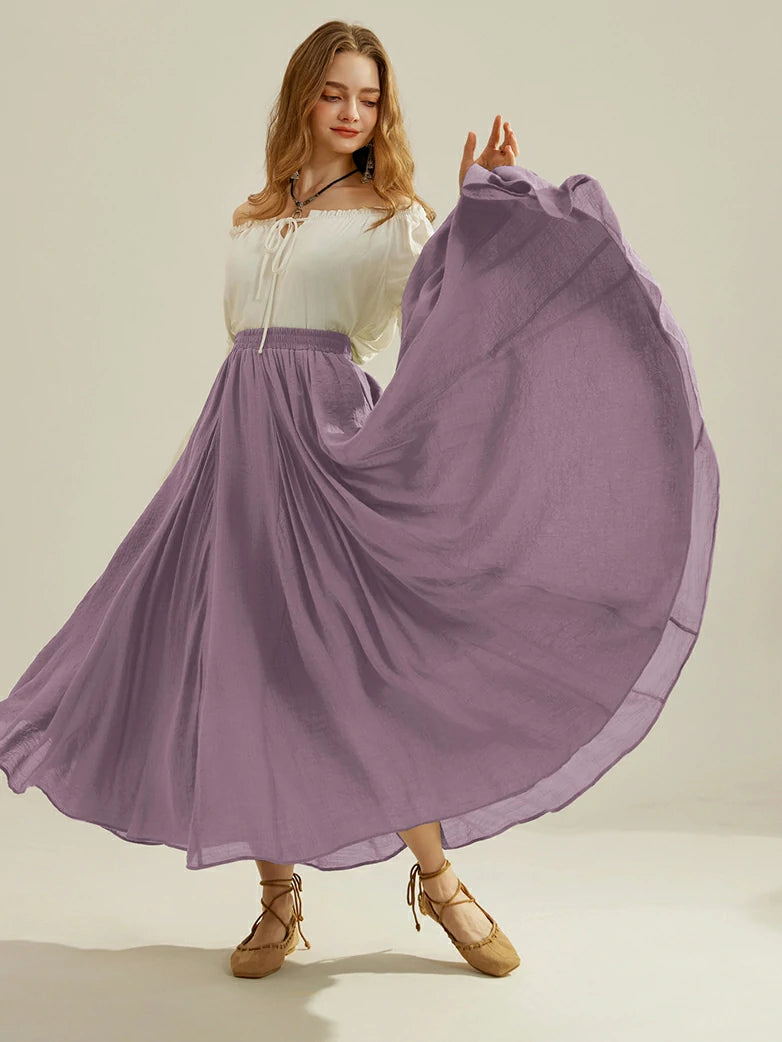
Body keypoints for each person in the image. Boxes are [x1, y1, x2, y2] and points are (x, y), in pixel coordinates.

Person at [0, 20, 720, 982]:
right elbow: (245, 338)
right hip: (235, 445)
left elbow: (443, 316)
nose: (352, 112)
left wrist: (480, 214)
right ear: (303, 95)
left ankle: (440, 882)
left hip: (325, 440)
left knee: (366, 668)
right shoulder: (254, 213)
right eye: (335, 92)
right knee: (243, 663)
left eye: (370, 98)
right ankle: (276, 898)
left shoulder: (394, 217)